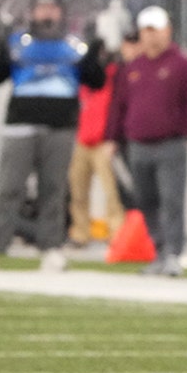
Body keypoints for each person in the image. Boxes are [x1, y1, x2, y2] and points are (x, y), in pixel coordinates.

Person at [0, 0, 106, 273]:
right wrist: (0, 50)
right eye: (42, 7)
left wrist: (95, 55)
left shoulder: (74, 45)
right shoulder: (19, 42)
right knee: (9, 188)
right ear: (31, 11)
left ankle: (51, 247)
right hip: (20, 124)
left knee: (54, 191)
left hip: (60, 126)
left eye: (52, 7)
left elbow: (96, 81)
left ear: (61, 11)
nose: (47, 12)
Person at [105, 6, 187, 278]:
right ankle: (159, 251)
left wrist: (182, 133)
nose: (151, 36)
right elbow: (119, 105)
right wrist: (113, 137)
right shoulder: (132, 68)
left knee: (171, 201)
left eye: (155, 29)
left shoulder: (181, 64)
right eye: (146, 30)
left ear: (167, 30)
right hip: (138, 144)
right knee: (146, 201)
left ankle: (173, 253)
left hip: (169, 144)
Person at [66, 36, 125, 248]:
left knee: (111, 192)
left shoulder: (111, 77)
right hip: (82, 141)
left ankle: (117, 232)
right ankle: (80, 232)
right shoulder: (83, 83)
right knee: (78, 191)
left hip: (102, 142)